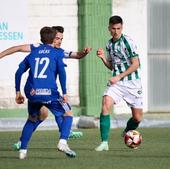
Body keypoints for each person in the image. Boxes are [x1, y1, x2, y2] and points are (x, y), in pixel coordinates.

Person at [0, 26, 92, 150]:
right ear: (52, 38)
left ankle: (24, 143)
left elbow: (77, 55)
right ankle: (24, 142)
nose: (59, 41)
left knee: (43, 115)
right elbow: (17, 48)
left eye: (61, 39)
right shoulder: (37, 47)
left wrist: (84, 52)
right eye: (57, 38)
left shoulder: (59, 51)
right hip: (40, 89)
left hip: (42, 90)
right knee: (53, 112)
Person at [15, 26, 76, 159]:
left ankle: (23, 150)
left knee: (32, 119)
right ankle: (63, 142)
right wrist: (64, 92)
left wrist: (18, 92)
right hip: (50, 93)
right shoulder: (56, 53)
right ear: (53, 38)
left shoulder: (33, 52)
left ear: (41, 38)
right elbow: (62, 72)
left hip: (33, 93)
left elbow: (19, 72)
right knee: (68, 113)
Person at [95, 15, 143, 151]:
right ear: (109, 28)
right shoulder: (109, 44)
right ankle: (104, 142)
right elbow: (113, 67)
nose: (116, 31)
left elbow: (135, 64)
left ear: (122, 28)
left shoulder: (127, 41)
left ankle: (128, 130)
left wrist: (119, 76)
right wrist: (103, 58)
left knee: (137, 118)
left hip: (132, 83)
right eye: (113, 28)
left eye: (119, 28)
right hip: (117, 84)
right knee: (105, 104)